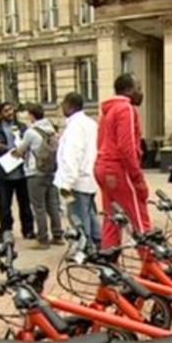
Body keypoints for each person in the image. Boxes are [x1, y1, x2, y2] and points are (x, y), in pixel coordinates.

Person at [95, 73, 149, 247]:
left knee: (112, 218)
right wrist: (137, 177)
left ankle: (108, 259)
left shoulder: (108, 110)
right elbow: (127, 147)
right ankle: (150, 259)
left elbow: (100, 141)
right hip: (118, 168)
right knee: (139, 217)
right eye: (138, 88)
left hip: (103, 166)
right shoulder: (126, 109)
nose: (141, 93)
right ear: (128, 90)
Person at [0, 101, 35, 239]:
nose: (10, 113)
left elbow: (30, 144)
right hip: (3, 172)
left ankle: (28, 229)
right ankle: (6, 230)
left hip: (21, 171)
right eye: (6, 111)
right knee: (4, 205)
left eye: (11, 110)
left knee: (25, 204)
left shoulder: (22, 127)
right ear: (0, 114)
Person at [55, 92, 101, 246]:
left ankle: (85, 247)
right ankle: (97, 241)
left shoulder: (75, 127)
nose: (61, 108)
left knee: (77, 216)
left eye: (63, 104)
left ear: (69, 106)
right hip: (88, 178)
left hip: (75, 181)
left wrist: (66, 184)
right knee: (89, 212)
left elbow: (72, 155)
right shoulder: (90, 123)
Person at [17, 103, 63, 249]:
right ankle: (58, 235)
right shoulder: (51, 130)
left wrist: (17, 145)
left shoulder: (30, 132)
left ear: (32, 115)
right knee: (53, 205)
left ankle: (43, 239)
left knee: (39, 207)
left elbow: (20, 150)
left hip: (35, 172)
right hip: (51, 171)